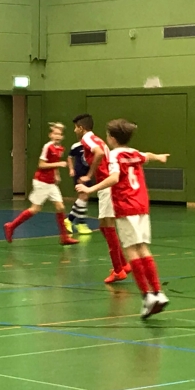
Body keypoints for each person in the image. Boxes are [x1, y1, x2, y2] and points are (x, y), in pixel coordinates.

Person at [78, 118, 170, 319]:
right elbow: (147, 155)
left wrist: (90, 189)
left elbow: (114, 178)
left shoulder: (114, 156)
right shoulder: (133, 153)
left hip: (126, 206)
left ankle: (147, 296)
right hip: (142, 205)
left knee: (131, 252)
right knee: (143, 248)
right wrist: (159, 157)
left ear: (111, 138)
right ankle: (158, 292)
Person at [73, 113, 130, 284]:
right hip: (106, 185)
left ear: (81, 128)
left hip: (107, 186)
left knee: (108, 226)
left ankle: (118, 270)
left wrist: (89, 175)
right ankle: (124, 264)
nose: (74, 131)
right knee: (104, 227)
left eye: (75, 127)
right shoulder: (97, 139)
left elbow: (98, 154)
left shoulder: (86, 139)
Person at [4, 122, 79, 245]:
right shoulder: (47, 147)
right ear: (50, 135)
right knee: (35, 209)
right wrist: (58, 164)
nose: (57, 136)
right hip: (41, 182)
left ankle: (64, 237)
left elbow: (53, 163)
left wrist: (56, 174)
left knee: (60, 207)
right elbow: (41, 165)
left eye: (59, 134)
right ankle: (11, 226)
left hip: (51, 183)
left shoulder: (60, 149)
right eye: (55, 133)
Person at [66, 141, 92, 235]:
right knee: (83, 196)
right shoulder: (76, 146)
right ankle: (80, 223)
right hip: (79, 174)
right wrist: (71, 169)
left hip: (88, 173)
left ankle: (71, 220)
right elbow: (69, 157)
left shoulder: (92, 145)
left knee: (84, 198)